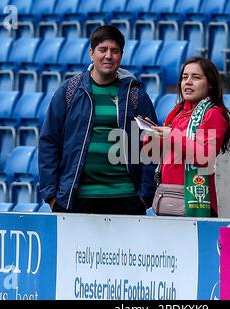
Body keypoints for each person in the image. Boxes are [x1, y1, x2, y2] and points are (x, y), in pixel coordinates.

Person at [38, 25, 158, 215]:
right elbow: (49, 142)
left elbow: (152, 145)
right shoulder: (69, 91)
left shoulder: (135, 95)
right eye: (102, 50)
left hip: (126, 198)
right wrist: (52, 196)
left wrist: (144, 197)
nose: (108, 56)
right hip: (75, 199)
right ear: (91, 53)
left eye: (115, 51)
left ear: (121, 55)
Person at [147, 56, 230, 217]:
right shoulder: (177, 113)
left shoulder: (213, 114)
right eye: (184, 77)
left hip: (194, 202)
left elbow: (204, 156)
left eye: (196, 77)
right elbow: (154, 155)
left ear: (210, 84)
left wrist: (171, 135)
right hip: (167, 198)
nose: (188, 82)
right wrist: (151, 137)